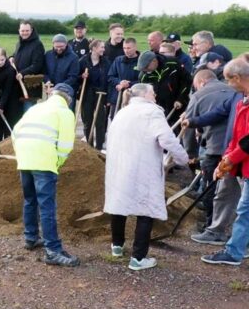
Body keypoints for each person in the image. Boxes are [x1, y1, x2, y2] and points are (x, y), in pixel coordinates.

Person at [104, 83, 189, 271]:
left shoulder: (122, 112)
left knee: (119, 204)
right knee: (146, 209)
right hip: (143, 168)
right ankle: (138, 258)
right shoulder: (152, 113)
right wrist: (184, 158)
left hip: (119, 166)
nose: (155, 95)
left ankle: (117, 246)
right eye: (153, 92)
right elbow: (167, 139)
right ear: (145, 95)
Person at [12, 83, 78, 267]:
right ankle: (53, 250)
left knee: (29, 200)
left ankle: (31, 237)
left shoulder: (36, 108)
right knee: (47, 205)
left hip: (25, 160)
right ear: (69, 99)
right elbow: (66, 145)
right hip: (44, 162)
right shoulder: (65, 112)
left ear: (52, 94)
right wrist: (57, 162)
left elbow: (16, 131)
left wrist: (21, 155)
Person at [201, 55, 249, 266]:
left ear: (238, 78)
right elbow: (236, 137)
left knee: (244, 211)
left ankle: (234, 252)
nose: (228, 85)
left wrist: (230, 158)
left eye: (229, 80)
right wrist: (225, 161)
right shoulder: (242, 101)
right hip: (244, 165)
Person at [182, 69, 241, 235]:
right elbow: (218, 113)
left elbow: (188, 134)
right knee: (231, 191)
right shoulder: (235, 93)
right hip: (234, 150)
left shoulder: (199, 95)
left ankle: (211, 226)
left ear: (201, 82)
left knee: (210, 187)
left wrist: (191, 154)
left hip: (220, 149)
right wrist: (193, 121)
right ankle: (225, 224)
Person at [137, 50, 191, 121]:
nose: (145, 71)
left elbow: (187, 81)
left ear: (154, 61)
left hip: (178, 106)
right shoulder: (143, 76)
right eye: (143, 69)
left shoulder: (173, 63)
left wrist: (180, 99)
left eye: (146, 67)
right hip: (158, 111)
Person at [78, 40, 110, 149]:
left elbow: (108, 79)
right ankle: (90, 145)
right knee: (87, 120)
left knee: (100, 120)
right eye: (101, 47)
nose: (103, 49)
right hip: (87, 93)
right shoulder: (83, 61)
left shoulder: (105, 62)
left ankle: (99, 147)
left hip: (101, 94)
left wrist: (108, 97)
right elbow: (76, 77)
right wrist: (81, 76)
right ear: (94, 48)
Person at [12, 21, 45, 116]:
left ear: (32, 31)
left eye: (27, 30)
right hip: (18, 85)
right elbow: (16, 56)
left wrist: (22, 73)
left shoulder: (37, 45)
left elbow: (37, 65)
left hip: (31, 86)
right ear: (19, 31)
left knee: (28, 114)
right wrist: (11, 58)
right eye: (22, 30)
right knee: (18, 115)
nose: (24, 33)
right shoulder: (19, 43)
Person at [107, 37, 140, 114]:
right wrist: (120, 82)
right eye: (124, 48)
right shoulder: (118, 60)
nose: (126, 50)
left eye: (129, 48)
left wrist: (129, 84)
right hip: (117, 97)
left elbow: (143, 80)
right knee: (114, 118)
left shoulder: (141, 61)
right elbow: (110, 77)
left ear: (135, 47)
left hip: (134, 98)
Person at [0, 48, 18, 142]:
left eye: (2, 60)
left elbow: (7, 89)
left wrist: (1, 106)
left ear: (5, 58)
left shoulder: (10, 70)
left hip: (10, 99)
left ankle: (8, 143)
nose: (0, 62)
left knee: (8, 121)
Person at [44, 34, 80, 102]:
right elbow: (45, 71)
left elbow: (73, 77)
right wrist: (47, 81)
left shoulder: (74, 58)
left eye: (61, 46)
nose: (59, 49)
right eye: (56, 46)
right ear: (53, 44)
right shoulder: (48, 55)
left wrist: (57, 88)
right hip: (50, 91)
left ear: (66, 44)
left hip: (66, 93)